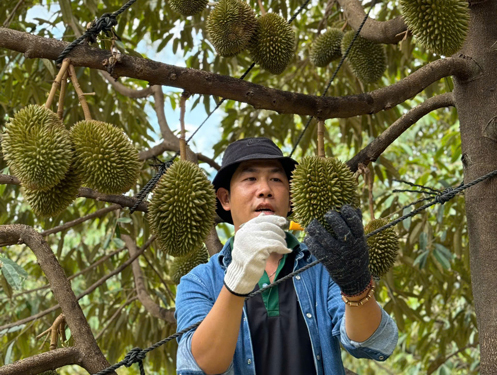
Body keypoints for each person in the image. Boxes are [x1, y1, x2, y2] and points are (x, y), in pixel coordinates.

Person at [175, 137, 398, 375]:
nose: (265, 190)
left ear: (291, 198)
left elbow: (374, 342)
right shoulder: (198, 282)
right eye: (250, 179)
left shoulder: (323, 267)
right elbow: (198, 366)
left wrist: (356, 286)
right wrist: (236, 280)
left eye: (276, 179)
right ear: (225, 199)